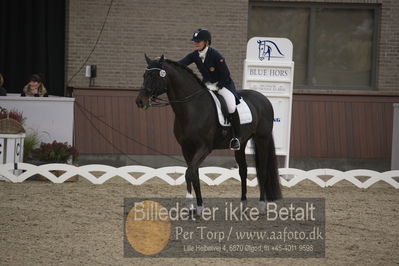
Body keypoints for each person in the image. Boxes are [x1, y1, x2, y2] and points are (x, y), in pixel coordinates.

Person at [179, 28, 241, 150]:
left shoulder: (216, 56)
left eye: (199, 41)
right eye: (195, 41)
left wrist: (217, 87)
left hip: (223, 85)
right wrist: (165, 64)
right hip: (207, 85)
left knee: (231, 105)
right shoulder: (194, 55)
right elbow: (181, 64)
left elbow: (225, 75)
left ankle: (236, 137)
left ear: (207, 42)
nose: (196, 43)